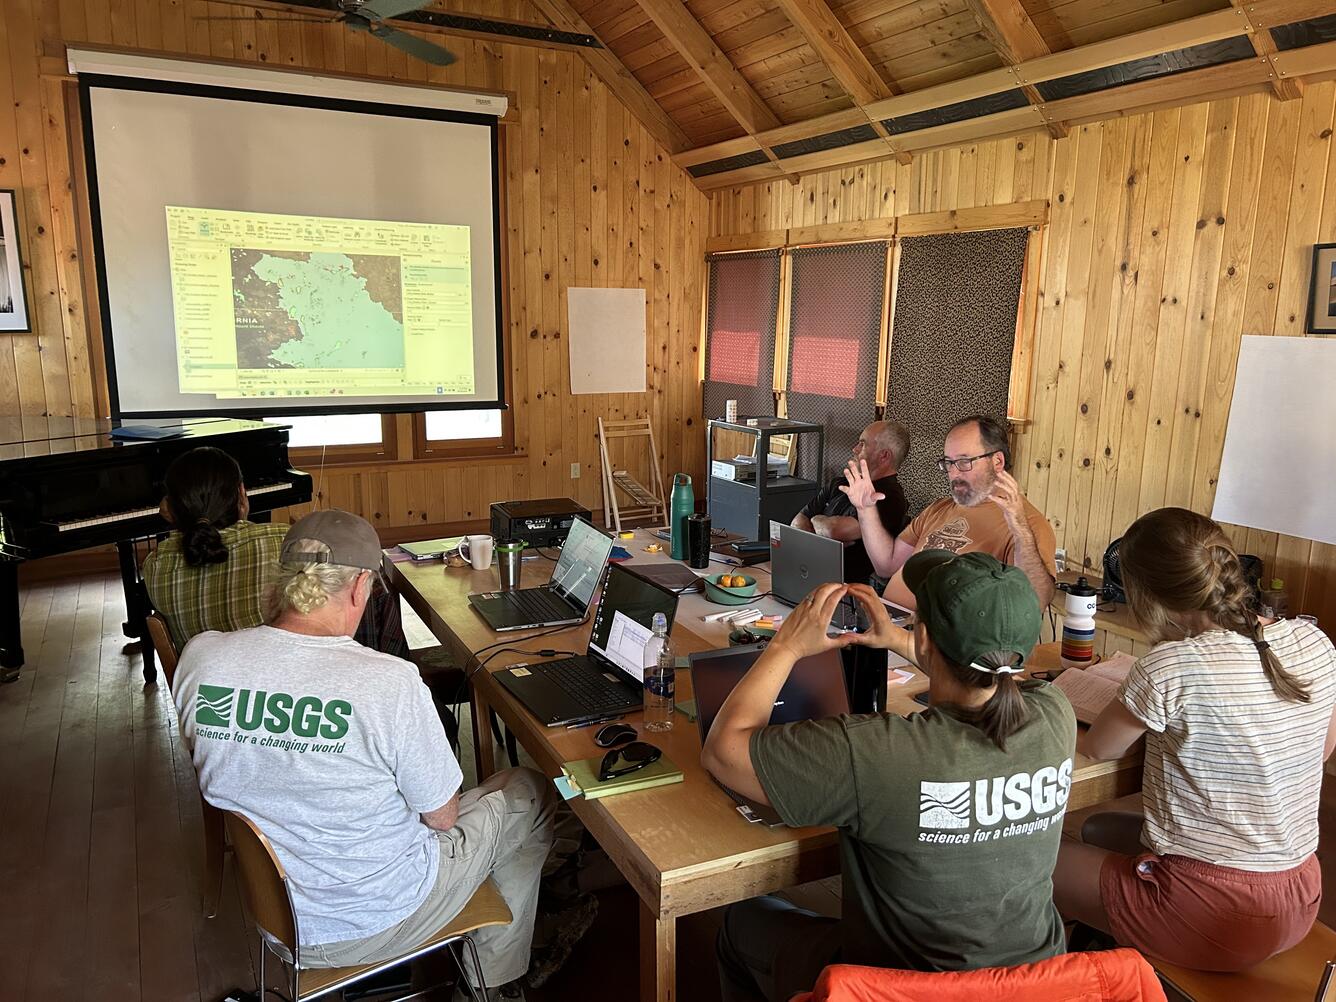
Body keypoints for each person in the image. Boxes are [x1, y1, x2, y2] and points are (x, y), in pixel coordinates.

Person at [172, 510, 556, 1002]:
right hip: (380, 917)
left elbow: (229, 760)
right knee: (529, 791)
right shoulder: (386, 683)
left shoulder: (202, 658)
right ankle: (494, 981)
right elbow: (442, 818)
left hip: (278, 920)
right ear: (358, 587)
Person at [702, 551, 1077, 1002]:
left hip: (902, 989)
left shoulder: (877, 752)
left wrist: (787, 646)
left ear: (926, 640)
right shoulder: (1056, 715)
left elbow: (723, 752)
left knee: (743, 920)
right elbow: (989, 683)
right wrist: (905, 641)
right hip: (1038, 985)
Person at [1052, 508, 1336, 973]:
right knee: (1099, 829)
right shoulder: (1314, 641)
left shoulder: (1170, 666)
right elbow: (1321, 750)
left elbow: (1101, 747)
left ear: (1145, 594)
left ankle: (1077, 975)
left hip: (1207, 912)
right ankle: (1107, 944)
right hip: (1300, 893)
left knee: (1033, 857)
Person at [142, 446, 408, 658]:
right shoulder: (279, 540)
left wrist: (179, 517)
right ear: (242, 495)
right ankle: (390, 670)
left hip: (217, 689)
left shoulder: (154, 566)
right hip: (293, 677)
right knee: (366, 580)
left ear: (171, 507)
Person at [844, 414, 1056, 620]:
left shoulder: (1027, 524)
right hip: (887, 625)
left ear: (997, 461)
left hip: (934, 648)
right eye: (948, 463)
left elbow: (1036, 602)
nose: (954, 474)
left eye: (964, 462)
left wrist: (1020, 530)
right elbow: (886, 565)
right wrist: (865, 510)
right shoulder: (940, 508)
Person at [791, 420, 910, 585]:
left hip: (846, 588)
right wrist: (821, 533)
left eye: (862, 444)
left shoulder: (889, 498)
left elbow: (834, 530)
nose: (854, 449)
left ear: (884, 456)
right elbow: (797, 521)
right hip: (808, 572)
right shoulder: (838, 483)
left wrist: (815, 519)